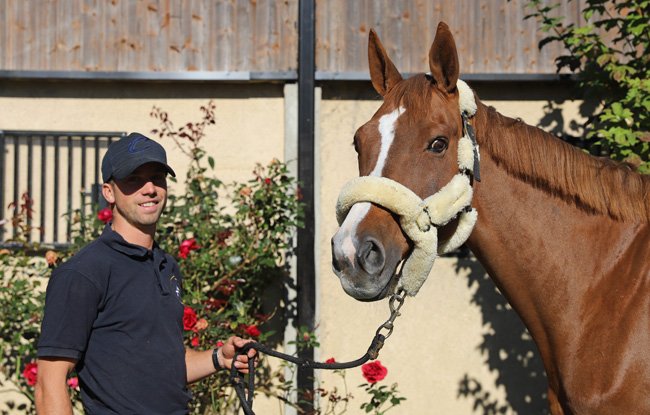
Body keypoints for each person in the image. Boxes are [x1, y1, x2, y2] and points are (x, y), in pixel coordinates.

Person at [35, 132, 255, 414]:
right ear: (109, 192)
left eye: (157, 177)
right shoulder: (84, 272)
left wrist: (218, 358)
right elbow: (49, 383)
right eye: (134, 179)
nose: (149, 188)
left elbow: (165, 364)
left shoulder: (166, 265)